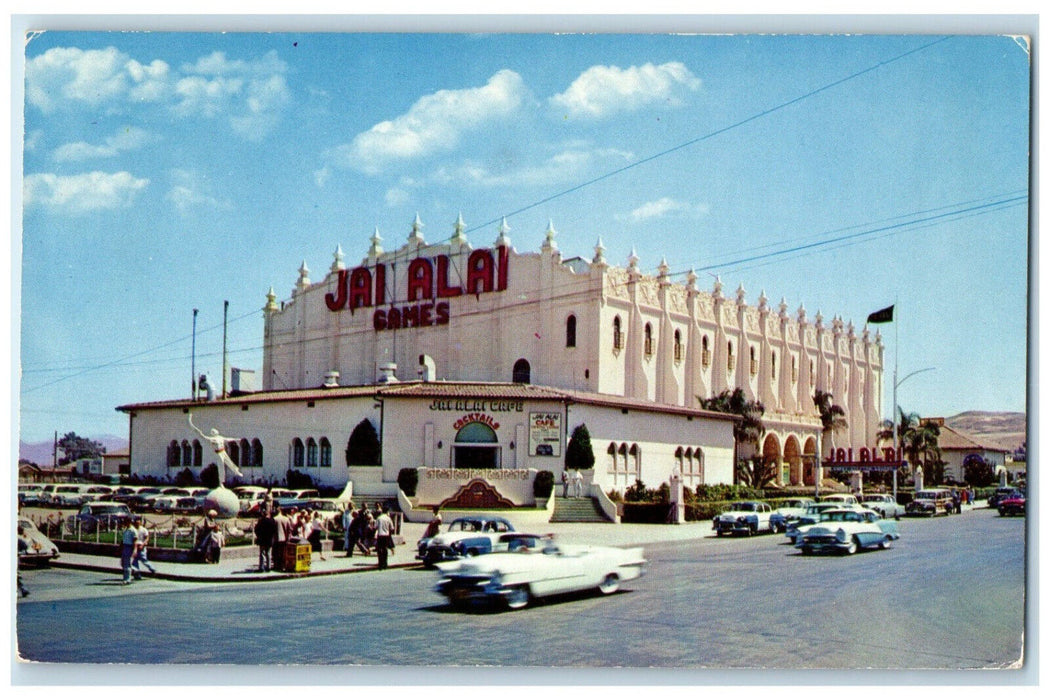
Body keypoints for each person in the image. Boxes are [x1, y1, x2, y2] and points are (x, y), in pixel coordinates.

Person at [374, 505, 395, 570]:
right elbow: (392, 528)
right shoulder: (388, 518)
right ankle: (385, 564)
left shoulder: (379, 518)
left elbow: (375, 527)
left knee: (379, 550)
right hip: (386, 535)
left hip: (380, 535)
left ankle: (380, 564)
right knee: (385, 549)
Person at [272, 507, 291, 571]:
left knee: (276, 553)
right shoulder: (286, 519)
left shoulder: (274, 519)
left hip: (276, 538)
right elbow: (289, 530)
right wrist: (288, 538)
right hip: (284, 539)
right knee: (283, 554)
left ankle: (277, 566)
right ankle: (283, 566)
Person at [120, 518, 138, 584]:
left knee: (126, 564)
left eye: (125, 522)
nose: (124, 523)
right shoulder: (126, 529)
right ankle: (135, 570)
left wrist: (135, 550)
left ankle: (127, 579)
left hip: (129, 547)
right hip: (124, 547)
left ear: (129, 522)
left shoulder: (133, 530)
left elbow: (135, 540)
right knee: (123, 563)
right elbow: (123, 539)